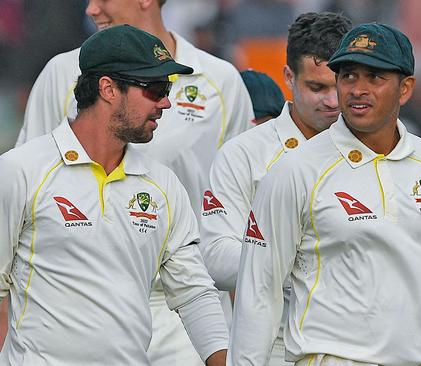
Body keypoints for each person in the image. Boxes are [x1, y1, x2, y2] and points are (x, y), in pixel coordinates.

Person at [228, 22, 421, 366]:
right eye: (349, 76)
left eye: (375, 77)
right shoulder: (294, 171)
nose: (358, 89)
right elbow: (258, 294)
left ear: (406, 88)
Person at [10, 1, 255, 364]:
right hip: (54, 319)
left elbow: (196, 287)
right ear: (107, 89)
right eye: (155, 89)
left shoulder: (165, 182)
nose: (166, 103)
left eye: (168, 88)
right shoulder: (22, 168)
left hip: (171, 310)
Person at [200, 12, 351, 365]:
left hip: (359, 342)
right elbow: (216, 258)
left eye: (338, 85)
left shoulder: (379, 148)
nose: (331, 101)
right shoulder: (244, 155)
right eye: (317, 87)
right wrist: (302, 258)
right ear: (288, 77)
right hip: (275, 344)